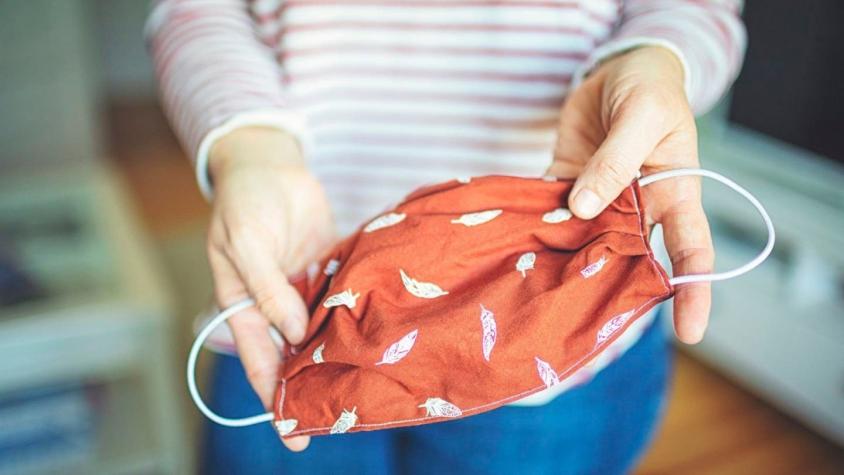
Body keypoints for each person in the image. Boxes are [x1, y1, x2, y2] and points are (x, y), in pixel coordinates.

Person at [147, 0, 745, 473]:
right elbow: (198, 10)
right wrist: (248, 147)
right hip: (289, 303)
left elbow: (694, 7)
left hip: (556, 337)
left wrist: (655, 59)